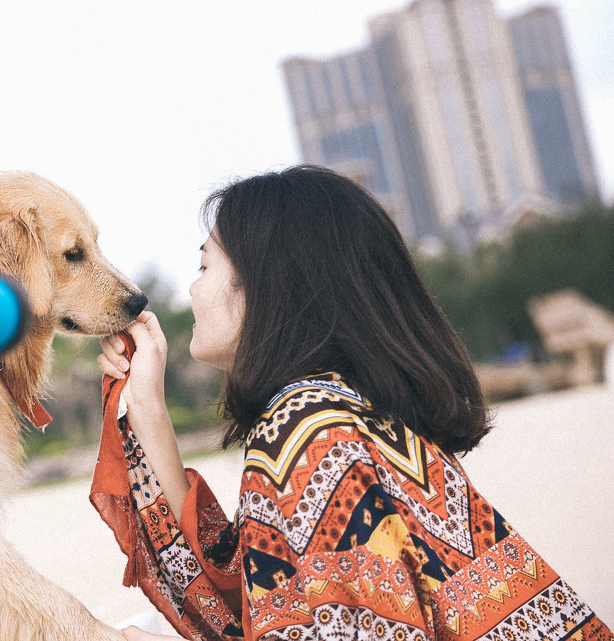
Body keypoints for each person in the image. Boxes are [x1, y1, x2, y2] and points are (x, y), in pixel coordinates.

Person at [91, 165, 609, 641]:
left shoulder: (307, 435)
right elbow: (244, 583)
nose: (191, 289)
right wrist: (147, 407)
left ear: (265, 282)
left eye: (204, 266)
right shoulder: (346, 412)